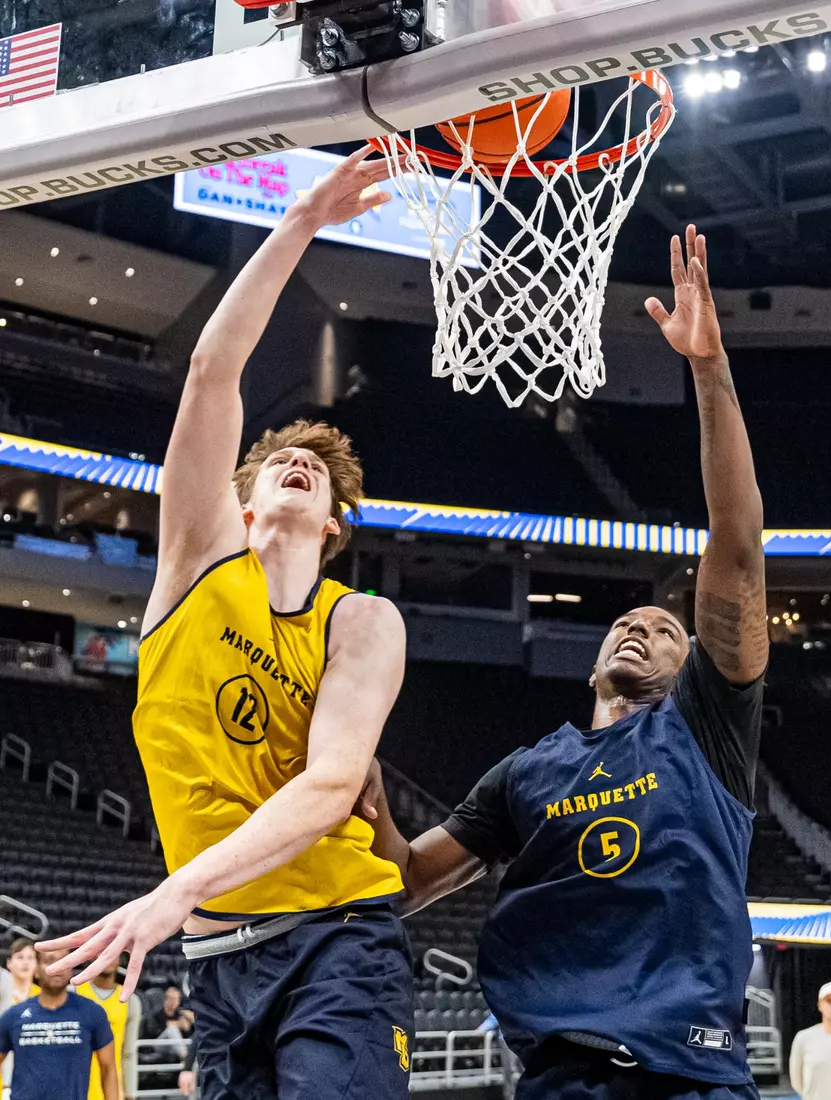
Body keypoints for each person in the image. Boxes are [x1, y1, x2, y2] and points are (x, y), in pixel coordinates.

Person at [38, 147, 413, 1100]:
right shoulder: (196, 560)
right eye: (280, 460)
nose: (298, 463)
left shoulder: (361, 621)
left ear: (332, 525)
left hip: (337, 933)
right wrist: (301, 222)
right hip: (217, 960)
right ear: (241, 506)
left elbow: (331, 786)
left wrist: (175, 889)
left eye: (317, 472)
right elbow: (213, 370)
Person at [361, 226, 768, 1100]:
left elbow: (736, 549)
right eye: (624, 622)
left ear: (693, 667)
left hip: (691, 1073)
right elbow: (404, 881)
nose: (638, 628)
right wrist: (360, 780)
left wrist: (708, 370)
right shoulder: (525, 773)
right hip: (558, 1077)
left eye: (663, 629)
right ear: (589, 669)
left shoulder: (708, 729)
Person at [0, 948, 117, 1100]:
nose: (58, 967)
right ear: (37, 970)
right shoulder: (14, 1016)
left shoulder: (92, 1012)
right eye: (49, 961)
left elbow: (108, 1068)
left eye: (64, 961)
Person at [77, 956, 142, 1100]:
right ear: (91, 957)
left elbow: (129, 1053)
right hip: (77, 1089)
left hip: (113, 1089)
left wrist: (130, 1094)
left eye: (113, 953)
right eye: (102, 953)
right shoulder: (74, 993)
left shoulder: (130, 1000)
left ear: (119, 959)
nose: (108, 958)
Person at [1, 939, 40, 1097]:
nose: (25, 962)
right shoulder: (2, 996)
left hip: (35, 1080)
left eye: (30, 957)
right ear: (9, 963)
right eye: (20, 957)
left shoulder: (44, 998)